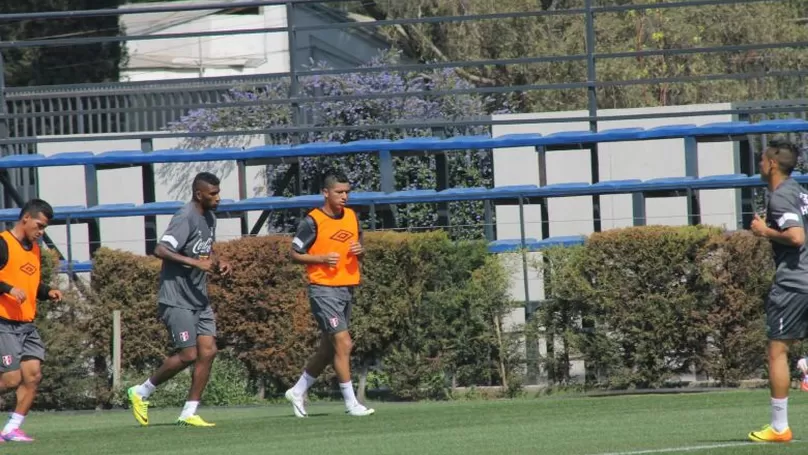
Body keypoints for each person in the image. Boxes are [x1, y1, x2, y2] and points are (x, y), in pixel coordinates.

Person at [127, 172, 231, 428]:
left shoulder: (209, 216)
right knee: (188, 354)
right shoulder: (185, 217)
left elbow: (206, 249)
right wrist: (195, 262)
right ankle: (141, 392)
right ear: (199, 194)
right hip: (177, 298)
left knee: (209, 351)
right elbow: (160, 249)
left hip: (199, 297)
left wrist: (219, 262)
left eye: (218, 192)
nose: (218, 198)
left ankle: (189, 412)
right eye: (213, 194)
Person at [285, 171, 375, 418]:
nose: (344, 196)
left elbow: (360, 248)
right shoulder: (312, 221)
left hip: (347, 288)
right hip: (323, 290)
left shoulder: (352, 217)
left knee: (327, 349)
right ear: (326, 192)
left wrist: (360, 250)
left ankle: (297, 390)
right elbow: (293, 254)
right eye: (339, 192)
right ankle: (351, 403)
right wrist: (320, 258)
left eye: (347, 192)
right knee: (344, 343)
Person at [749, 139, 808, 443]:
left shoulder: (781, 197)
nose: (759, 165)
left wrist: (764, 231)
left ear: (772, 163)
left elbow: (796, 237)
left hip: (794, 283)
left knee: (777, 352)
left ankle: (779, 427)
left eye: (761, 160)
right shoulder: (800, 191)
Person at [0, 199, 62, 443]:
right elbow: (12, 285)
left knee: (33, 375)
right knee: (11, 379)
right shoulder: (3, 243)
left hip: (26, 324)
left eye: (44, 228)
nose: (41, 231)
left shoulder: (34, 249)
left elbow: (31, 285)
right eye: (39, 225)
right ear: (25, 218)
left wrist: (48, 292)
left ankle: (11, 429)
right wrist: (7, 289)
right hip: (4, 322)